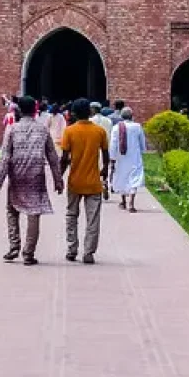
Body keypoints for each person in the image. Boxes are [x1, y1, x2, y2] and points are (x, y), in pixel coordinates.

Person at [0, 94, 63, 265]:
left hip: (17, 176)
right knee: (33, 213)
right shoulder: (42, 129)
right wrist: (58, 180)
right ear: (34, 110)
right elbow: (52, 157)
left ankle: (14, 247)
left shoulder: (12, 129)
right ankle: (28, 253)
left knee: (12, 211)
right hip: (36, 176)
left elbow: (4, 157)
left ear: (20, 110)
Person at [60, 98, 110, 264]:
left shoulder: (69, 131)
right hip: (93, 182)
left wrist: (59, 177)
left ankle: (71, 249)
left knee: (71, 215)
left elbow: (64, 158)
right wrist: (105, 171)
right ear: (90, 112)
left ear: (73, 113)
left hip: (75, 181)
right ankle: (88, 252)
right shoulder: (99, 131)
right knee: (93, 219)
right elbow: (106, 155)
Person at [110, 106, 146, 212]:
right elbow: (142, 141)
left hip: (121, 157)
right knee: (134, 178)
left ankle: (123, 201)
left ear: (121, 116)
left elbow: (113, 144)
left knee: (122, 177)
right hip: (134, 156)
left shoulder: (117, 127)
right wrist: (143, 151)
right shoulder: (137, 126)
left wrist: (112, 158)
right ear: (132, 116)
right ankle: (131, 203)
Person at [91, 102, 115, 198]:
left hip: (94, 147)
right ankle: (104, 182)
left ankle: (97, 185)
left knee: (94, 167)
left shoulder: (91, 120)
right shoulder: (108, 120)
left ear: (93, 109)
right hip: (106, 146)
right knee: (105, 166)